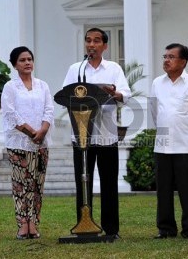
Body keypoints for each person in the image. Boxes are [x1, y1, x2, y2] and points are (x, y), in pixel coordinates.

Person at [62, 27, 131, 239]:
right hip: (81, 135)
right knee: (83, 181)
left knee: (109, 182)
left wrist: (114, 93)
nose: (91, 44)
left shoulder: (113, 69)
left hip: (106, 134)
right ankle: (84, 226)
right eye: (88, 40)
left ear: (105, 46)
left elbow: (126, 95)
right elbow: (65, 95)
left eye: (96, 41)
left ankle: (112, 230)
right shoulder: (77, 68)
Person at [149, 43, 188, 240]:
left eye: (171, 57)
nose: (166, 60)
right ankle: (165, 229)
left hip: (185, 145)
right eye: (164, 56)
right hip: (163, 145)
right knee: (163, 190)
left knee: (187, 190)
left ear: (183, 61)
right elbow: (155, 113)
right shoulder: (157, 83)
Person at [0, 46, 54, 240]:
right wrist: (31, 132)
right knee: (21, 184)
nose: (27, 63)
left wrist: (43, 131)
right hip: (19, 144)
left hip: (41, 144)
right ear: (15, 64)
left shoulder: (43, 85)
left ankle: (34, 223)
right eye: (22, 60)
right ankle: (23, 224)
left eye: (29, 59)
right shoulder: (10, 87)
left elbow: (49, 109)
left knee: (37, 184)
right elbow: (10, 113)